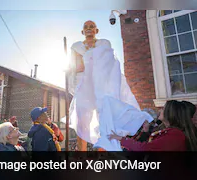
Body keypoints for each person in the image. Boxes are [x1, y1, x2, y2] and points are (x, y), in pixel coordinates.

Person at [61, 20, 153, 151]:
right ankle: (80, 152)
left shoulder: (104, 43)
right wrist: (81, 65)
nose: (89, 29)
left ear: (96, 30)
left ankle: (104, 150)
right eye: (86, 27)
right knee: (82, 118)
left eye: (92, 26)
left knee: (104, 115)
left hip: (101, 84)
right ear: (82, 31)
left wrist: (87, 61)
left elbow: (107, 63)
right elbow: (77, 66)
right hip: (84, 84)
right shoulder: (76, 46)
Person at [108, 100, 197, 151]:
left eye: (163, 108)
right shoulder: (170, 131)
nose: (160, 110)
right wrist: (146, 132)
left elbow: (145, 148)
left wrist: (121, 139)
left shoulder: (175, 135)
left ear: (170, 113)